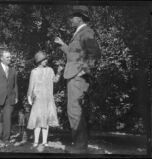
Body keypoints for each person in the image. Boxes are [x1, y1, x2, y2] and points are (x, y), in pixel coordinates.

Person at [54, 9, 101, 153]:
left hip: (77, 76)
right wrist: (62, 44)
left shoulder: (86, 32)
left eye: (72, 17)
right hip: (73, 75)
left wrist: (82, 71)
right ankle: (79, 145)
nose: (70, 20)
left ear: (80, 18)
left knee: (74, 110)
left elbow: (95, 53)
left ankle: (80, 147)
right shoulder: (78, 33)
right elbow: (75, 55)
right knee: (73, 110)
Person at [27, 51, 63, 147]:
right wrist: (29, 97)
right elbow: (31, 86)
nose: (46, 61)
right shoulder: (34, 72)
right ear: (39, 61)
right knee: (38, 120)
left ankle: (44, 141)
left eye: (46, 59)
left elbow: (55, 80)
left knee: (46, 120)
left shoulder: (50, 70)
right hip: (38, 99)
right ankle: (35, 141)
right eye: (44, 59)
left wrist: (59, 72)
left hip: (48, 99)